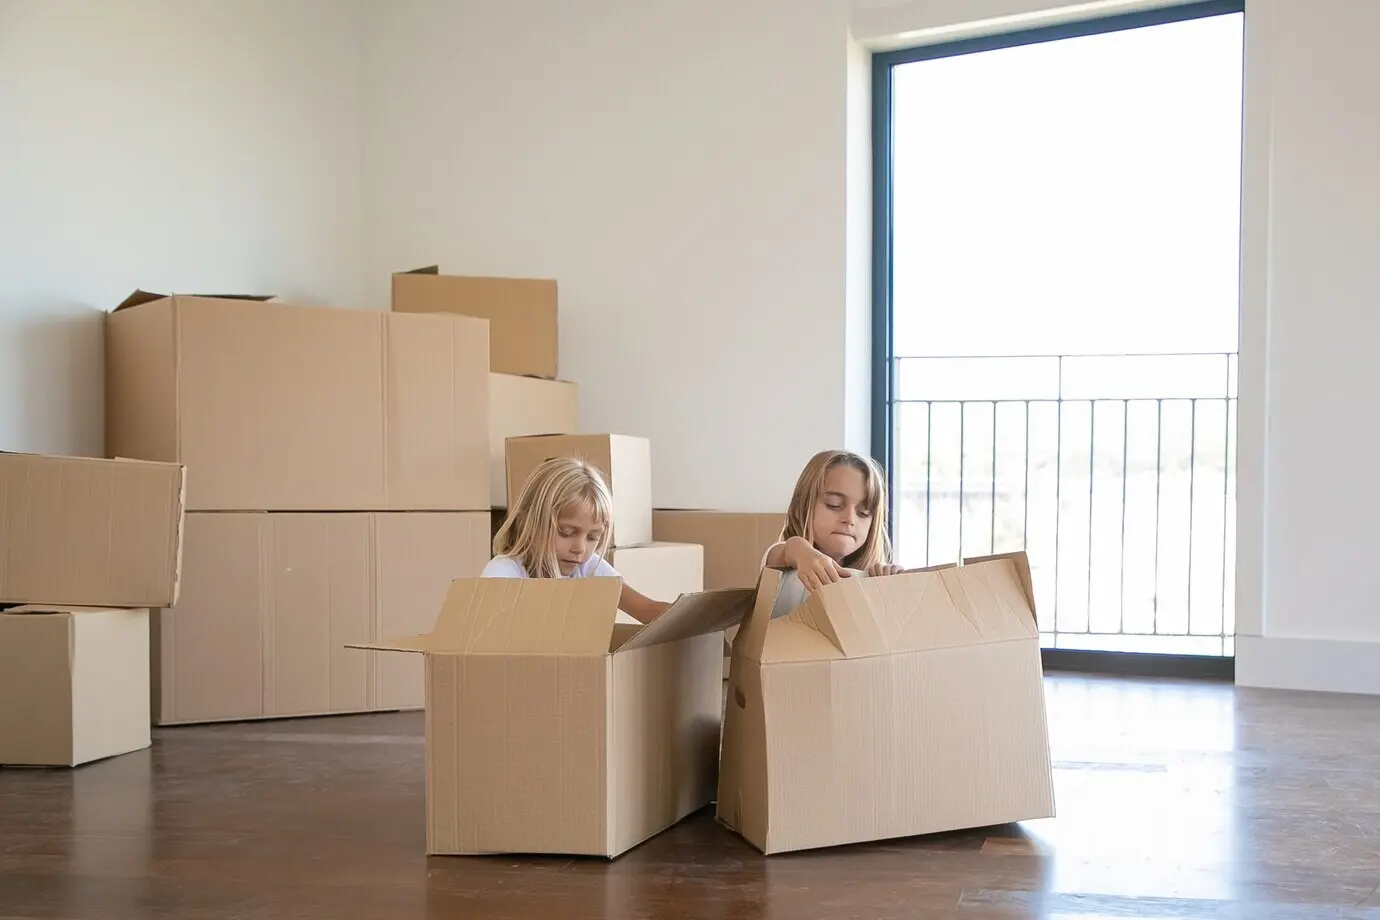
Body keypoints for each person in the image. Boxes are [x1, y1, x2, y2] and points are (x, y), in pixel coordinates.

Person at [482, 456, 670, 623]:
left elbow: (646, 610)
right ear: (528, 522)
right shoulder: (504, 571)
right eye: (566, 532)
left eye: (593, 537)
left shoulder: (588, 567)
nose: (580, 549)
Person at [757, 449, 900, 619]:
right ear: (801, 508)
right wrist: (802, 551)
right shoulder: (785, 557)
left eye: (863, 512)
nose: (849, 519)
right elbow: (784, 552)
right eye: (835, 505)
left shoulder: (870, 575)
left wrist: (891, 582)